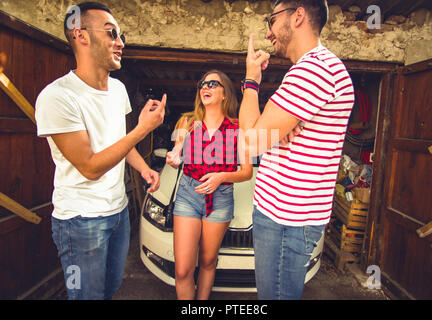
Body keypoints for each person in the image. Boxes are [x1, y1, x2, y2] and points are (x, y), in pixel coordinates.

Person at [35, 2, 165, 300]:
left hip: (117, 212)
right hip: (80, 222)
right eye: (111, 33)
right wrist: (143, 129)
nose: (120, 42)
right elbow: (91, 166)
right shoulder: (58, 97)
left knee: (110, 290)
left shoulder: (118, 90)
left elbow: (118, 141)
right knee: (84, 295)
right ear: (81, 35)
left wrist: (143, 169)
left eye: (120, 36)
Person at [239, 0, 355, 299]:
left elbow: (250, 142)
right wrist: (274, 130)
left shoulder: (313, 70)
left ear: (298, 15)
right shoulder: (316, 69)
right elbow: (263, 134)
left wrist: (251, 80)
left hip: (285, 220)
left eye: (272, 20)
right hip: (286, 215)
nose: (268, 34)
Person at [166, 70, 253, 300]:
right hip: (188, 193)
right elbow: (177, 155)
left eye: (213, 84)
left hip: (220, 198)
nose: (206, 87)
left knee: (207, 261)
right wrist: (174, 158)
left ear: (225, 93)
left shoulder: (237, 128)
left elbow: (246, 172)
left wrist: (220, 177)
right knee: (183, 269)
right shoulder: (188, 122)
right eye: (203, 84)